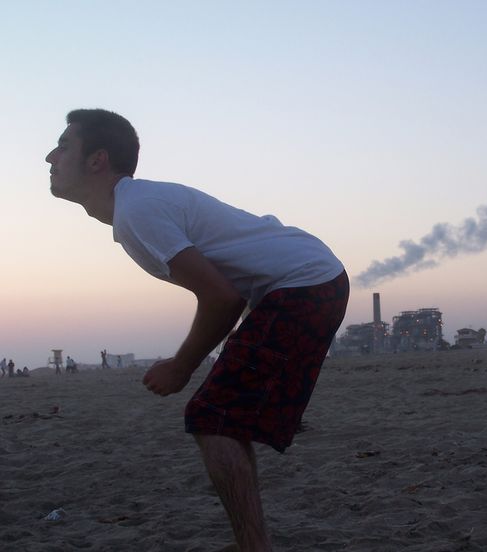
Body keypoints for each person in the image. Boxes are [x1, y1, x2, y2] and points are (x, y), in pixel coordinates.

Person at [46, 109, 349, 551]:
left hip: (303, 285)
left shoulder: (137, 212)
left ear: (97, 160)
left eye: (63, 145)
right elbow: (230, 294)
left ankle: (253, 545)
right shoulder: (137, 208)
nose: (50, 156)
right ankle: (252, 541)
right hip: (304, 282)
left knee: (211, 417)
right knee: (223, 418)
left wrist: (181, 366)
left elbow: (222, 297)